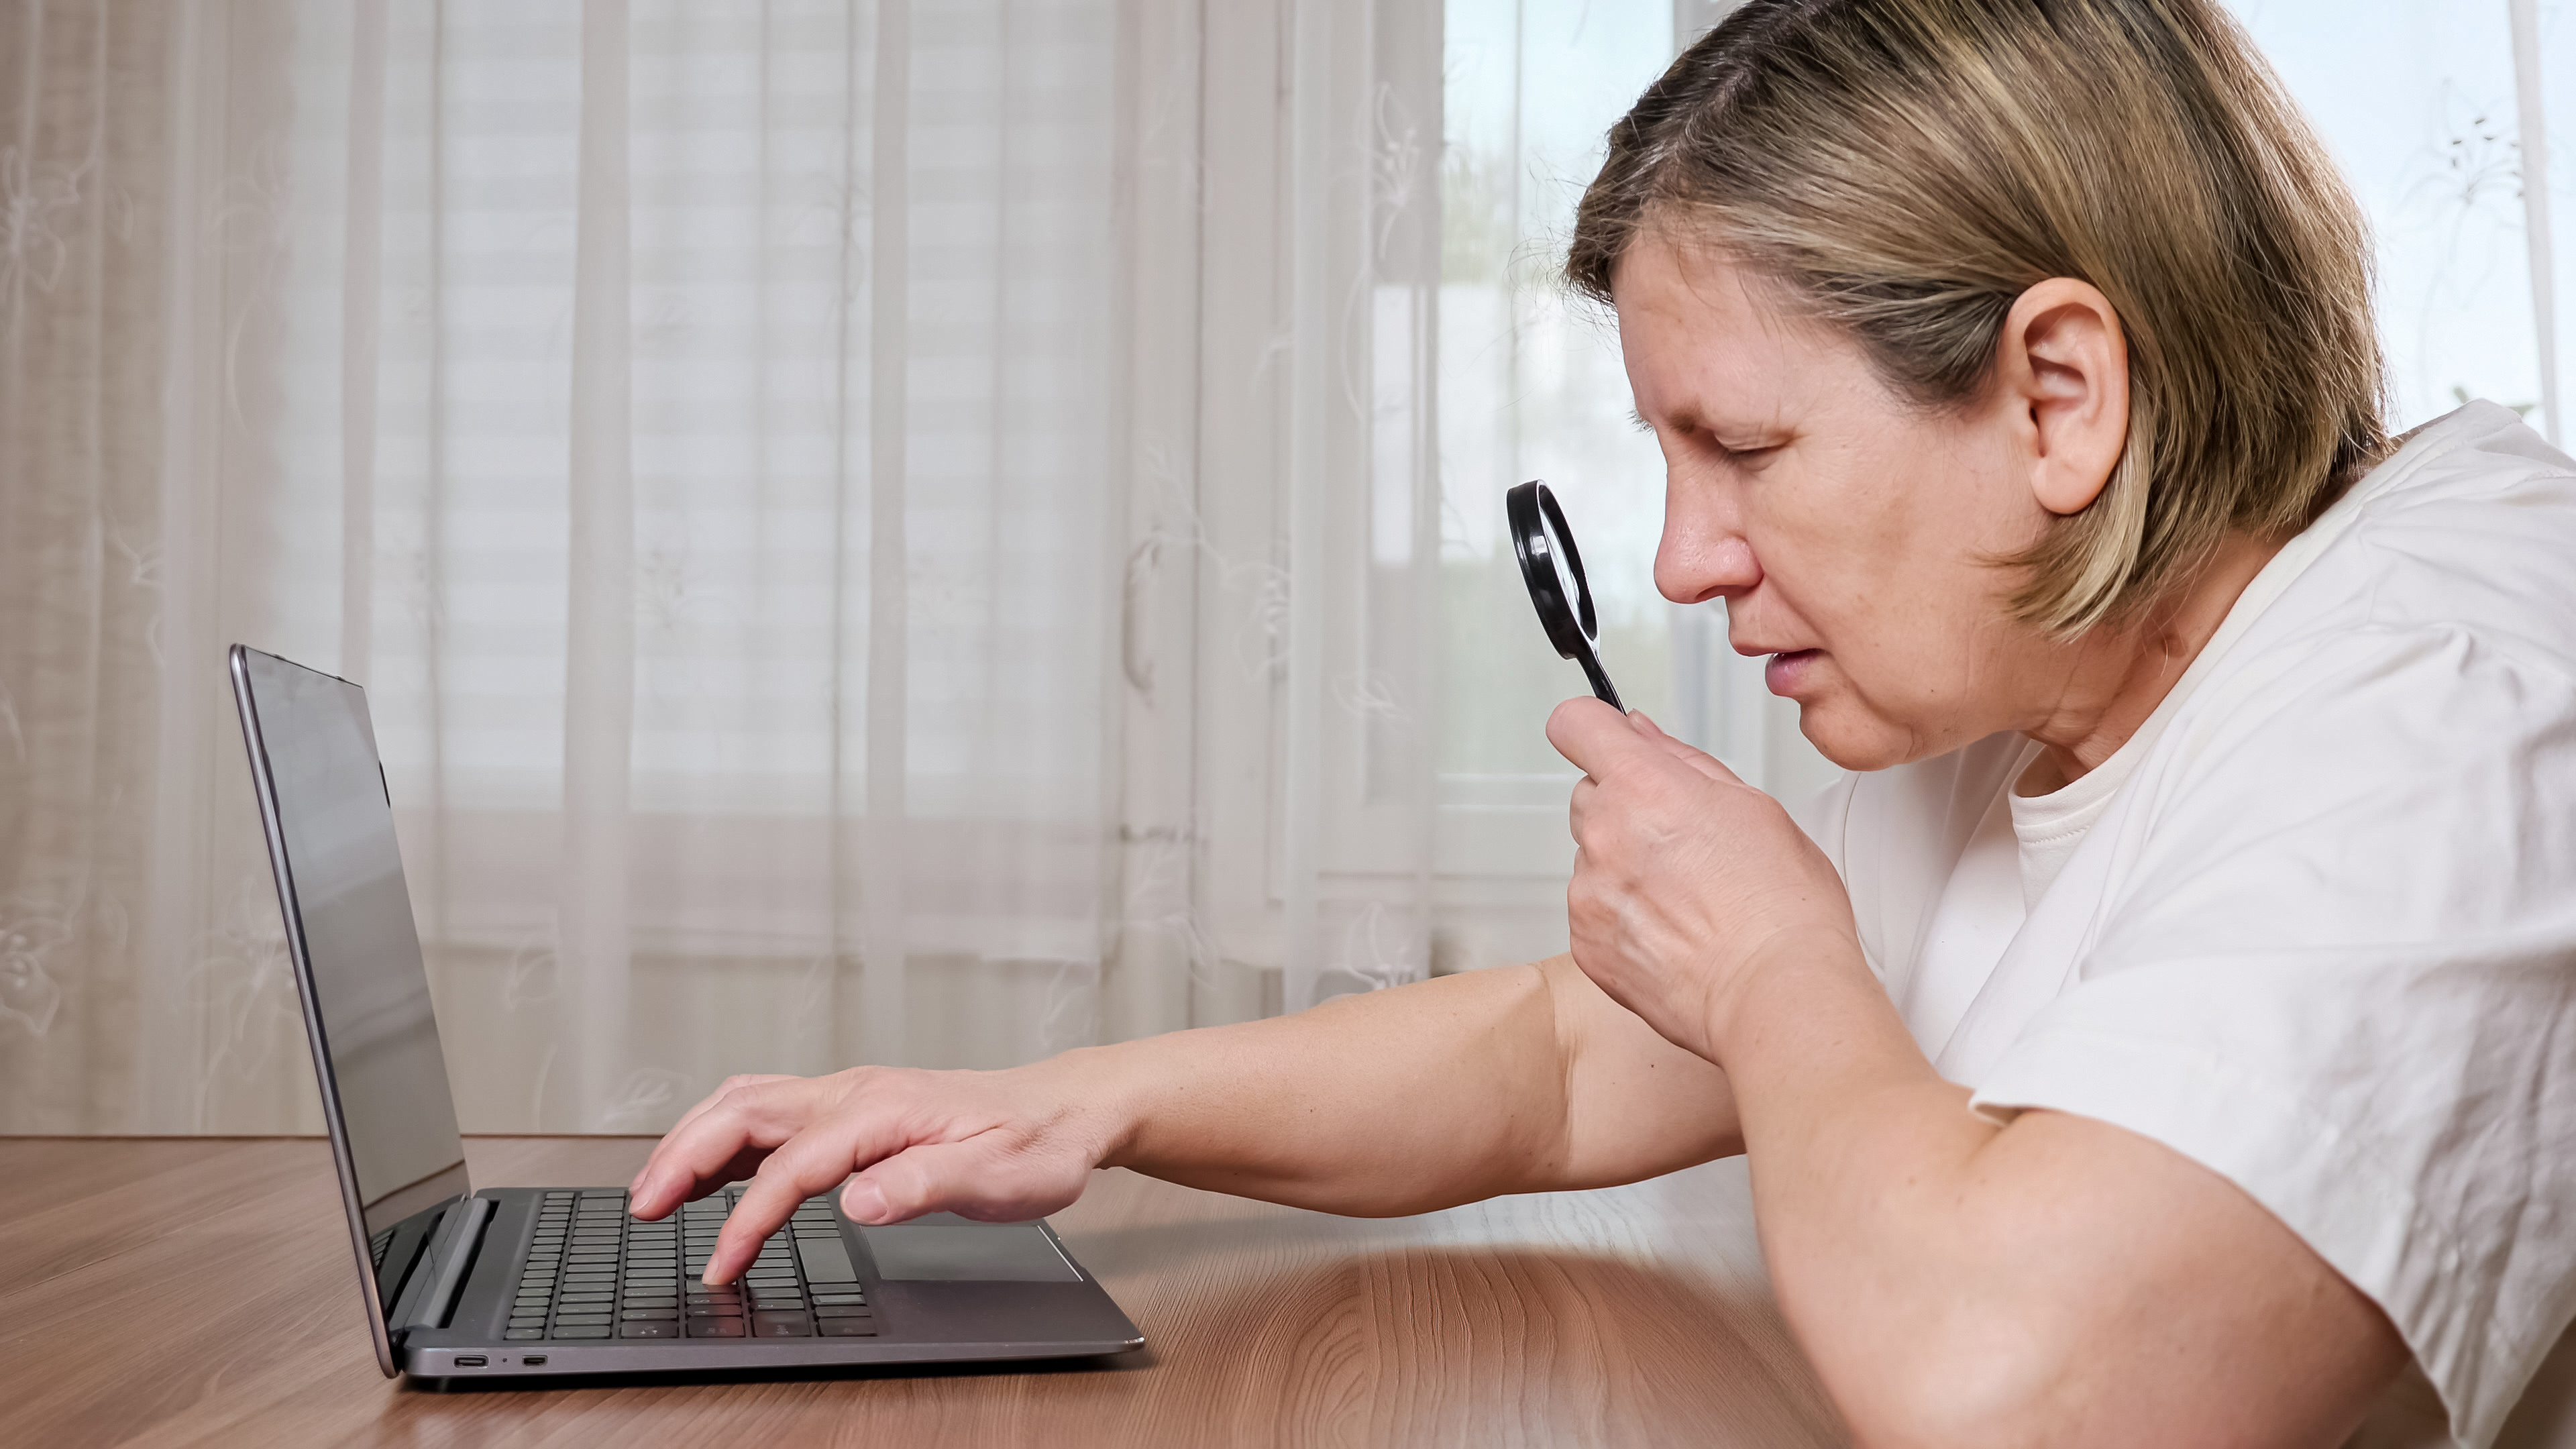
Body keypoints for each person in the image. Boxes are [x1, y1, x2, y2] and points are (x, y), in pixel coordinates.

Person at [631, 1, 2576, 1443]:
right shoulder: (2036, 681)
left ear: (2059, 396)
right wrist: (1074, 1103)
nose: (1676, 563)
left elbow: (2023, 1393)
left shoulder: (2463, 693)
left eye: (1743, 447)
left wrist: (1775, 956)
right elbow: (1572, 1062)